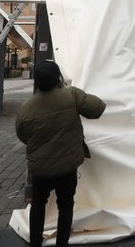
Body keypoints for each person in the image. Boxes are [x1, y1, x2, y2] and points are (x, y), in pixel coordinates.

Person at [16, 60, 106, 247]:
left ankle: (35, 243)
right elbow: (98, 108)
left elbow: (23, 135)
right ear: (58, 77)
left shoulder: (27, 107)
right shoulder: (71, 96)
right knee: (65, 206)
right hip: (67, 167)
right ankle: (62, 244)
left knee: (38, 204)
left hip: (40, 169)